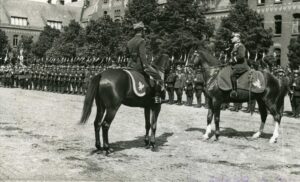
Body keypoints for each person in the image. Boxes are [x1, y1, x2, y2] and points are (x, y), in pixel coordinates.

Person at [126, 21, 163, 103]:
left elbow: (127, 55)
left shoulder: (129, 42)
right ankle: (157, 97)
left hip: (130, 65)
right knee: (158, 76)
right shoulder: (141, 40)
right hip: (139, 65)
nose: (144, 32)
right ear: (142, 31)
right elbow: (142, 55)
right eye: (144, 31)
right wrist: (146, 66)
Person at [230, 32, 249, 98]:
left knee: (233, 75)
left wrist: (233, 59)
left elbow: (241, 56)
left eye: (233, 37)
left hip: (242, 66)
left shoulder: (240, 46)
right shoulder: (235, 46)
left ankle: (234, 91)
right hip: (236, 65)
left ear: (238, 38)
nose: (231, 39)